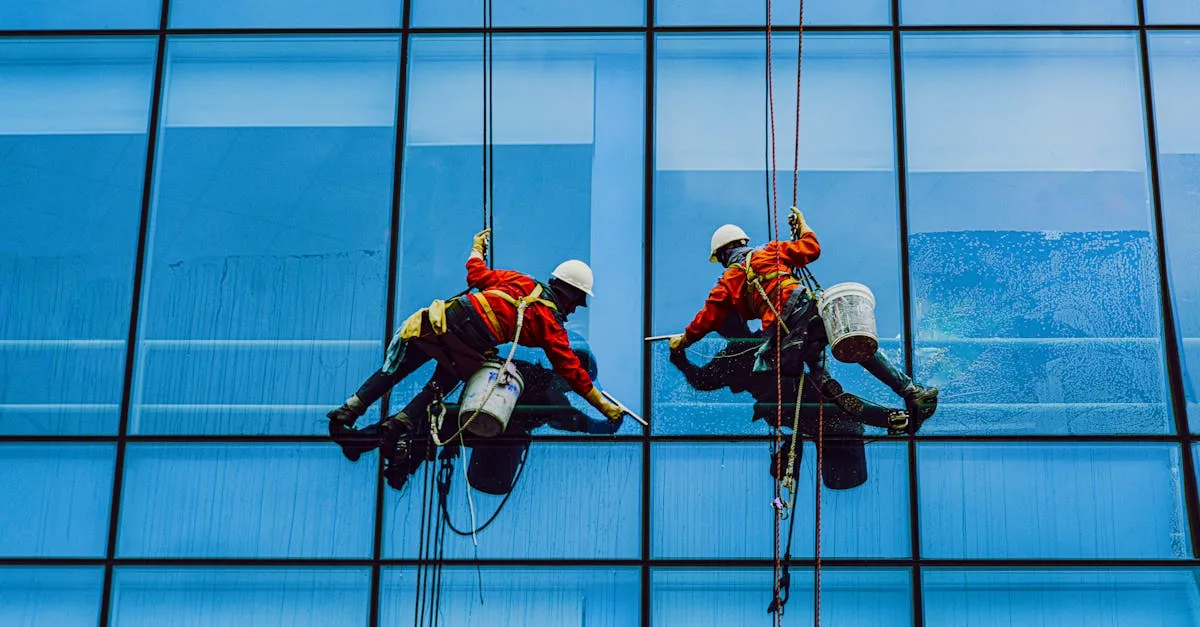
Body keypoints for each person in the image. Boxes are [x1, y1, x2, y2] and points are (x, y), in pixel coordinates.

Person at [325, 229, 624, 485]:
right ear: (570, 293)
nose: (575, 309)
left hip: (443, 320)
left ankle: (349, 411)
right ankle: (398, 425)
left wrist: (476, 249)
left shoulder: (520, 281)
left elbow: (476, 274)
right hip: (469, 340)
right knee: (442, 383)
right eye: (577, 302)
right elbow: (571, 371)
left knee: (398, 369)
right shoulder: (550, 324)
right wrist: (606, 409)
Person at [665, 209, 937, 431]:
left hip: (788, 336)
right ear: (743, 243)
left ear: (724, 254)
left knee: (822, 385)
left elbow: (706, 319)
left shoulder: (728, 281)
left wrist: (683, 342)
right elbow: (811, 248)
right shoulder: (771, 251)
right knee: (856, 345)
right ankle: (911, 392)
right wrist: (804, 225)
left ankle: (880, 415)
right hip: (811, 314)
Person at [669, 313, 905, 489]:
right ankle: (889, 421)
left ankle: (885, 422)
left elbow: (702, 381)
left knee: (839, 415)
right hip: (795, 401)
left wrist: (680, 359)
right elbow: (703, 381)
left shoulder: (737, 354)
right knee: (841, 414)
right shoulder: (760, 342)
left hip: (790, 406)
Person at [334, 348, 621, 491]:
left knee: (428, 425)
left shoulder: (535, 378)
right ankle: (382, 453)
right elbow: (569, 419)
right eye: (579, 381)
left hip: (481, 422)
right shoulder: (547, 387)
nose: (577, 388)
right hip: (483, 422)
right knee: (427, 425)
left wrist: (604, 427)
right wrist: (606, 426)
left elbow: (566, 419)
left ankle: (378, 450)